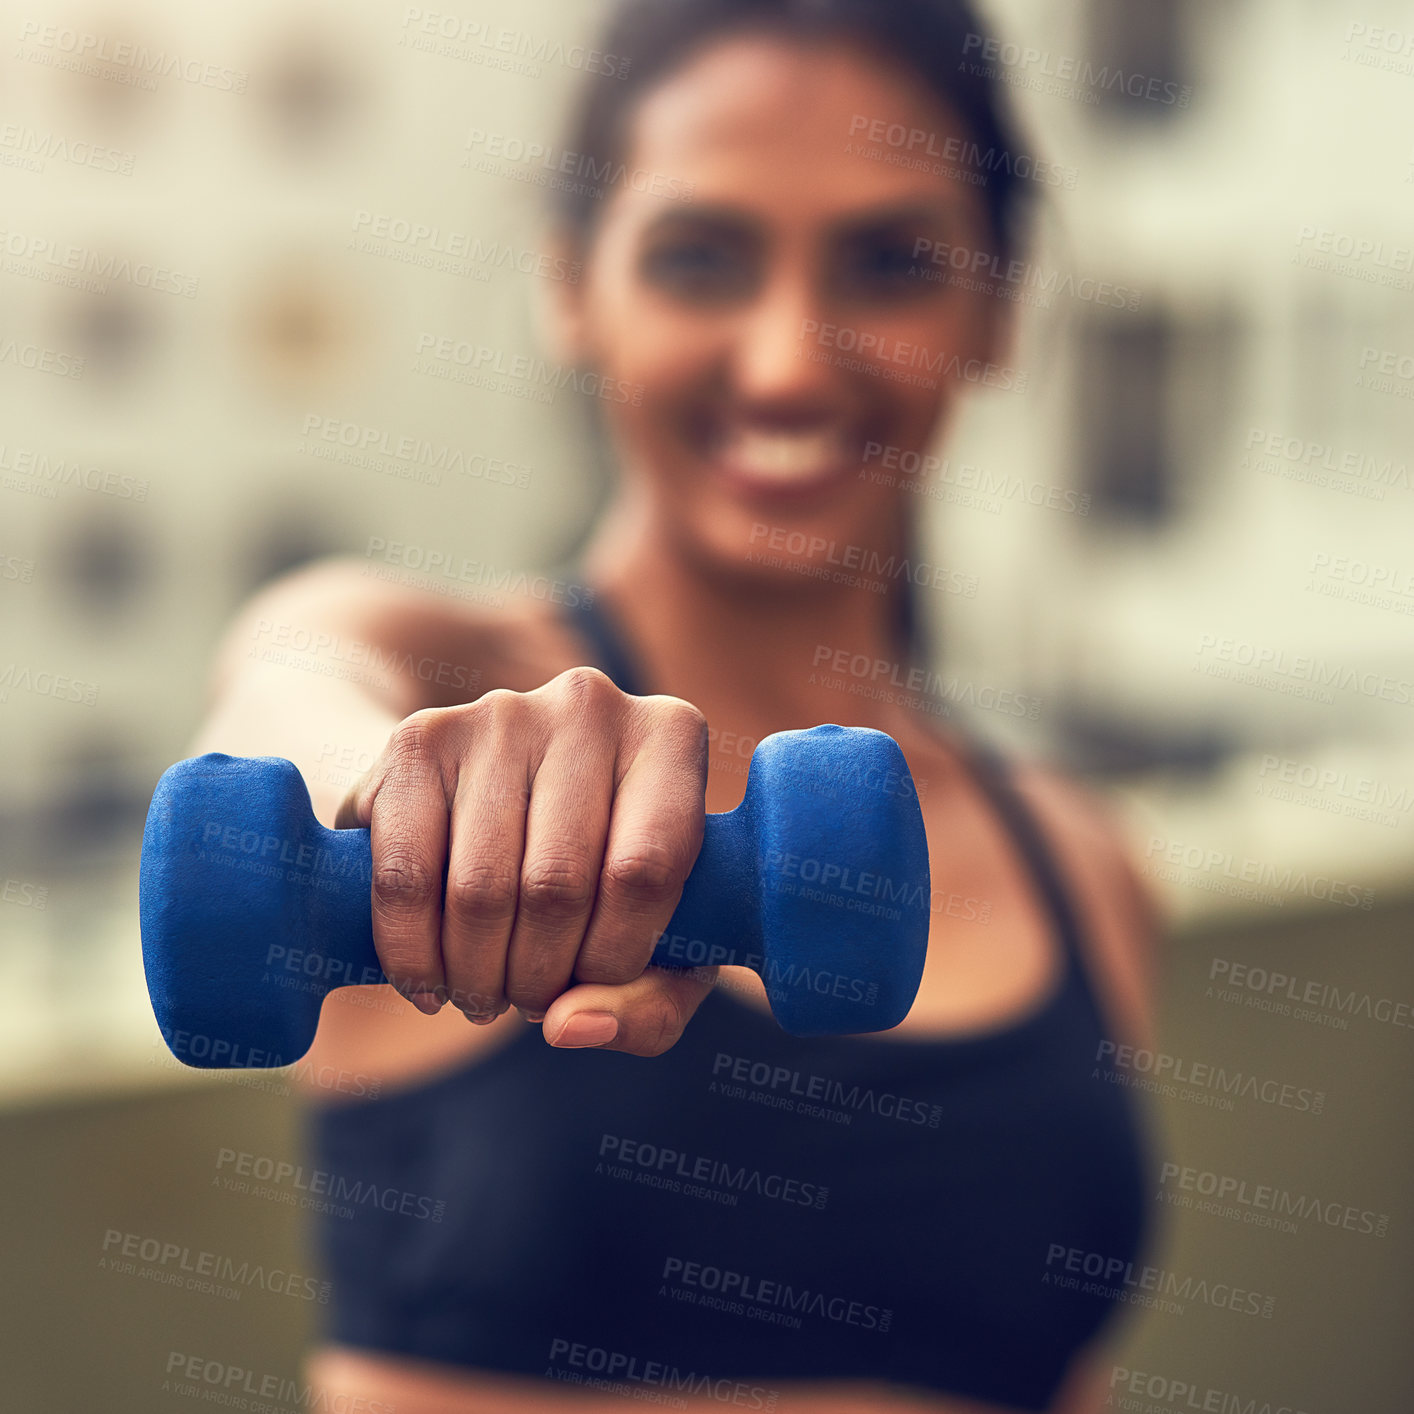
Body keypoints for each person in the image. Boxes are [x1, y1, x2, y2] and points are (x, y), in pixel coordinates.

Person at [189, 1, 1163, 1408]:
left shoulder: (1083, 863)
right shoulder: (438, 673)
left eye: (889, 263)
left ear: (998, 310)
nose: (783, 360)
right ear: (568, 285)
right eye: (699, 257)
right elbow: (281, 697)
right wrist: (397, 794)